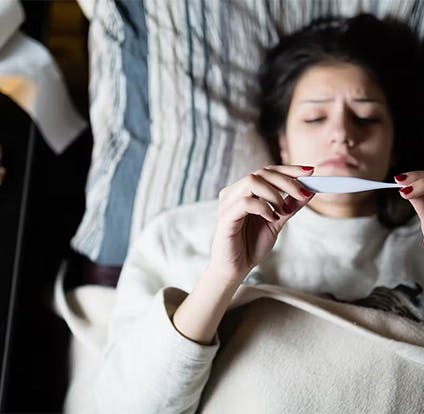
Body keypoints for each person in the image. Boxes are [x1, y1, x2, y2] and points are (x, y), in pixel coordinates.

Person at [93, 13, 424, 413]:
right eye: (315, 117)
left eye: (367, 117)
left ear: (394, 145)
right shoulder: (182, 236)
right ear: (282, 142)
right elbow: (123, 406)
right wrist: (223, 276)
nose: (342, 133)